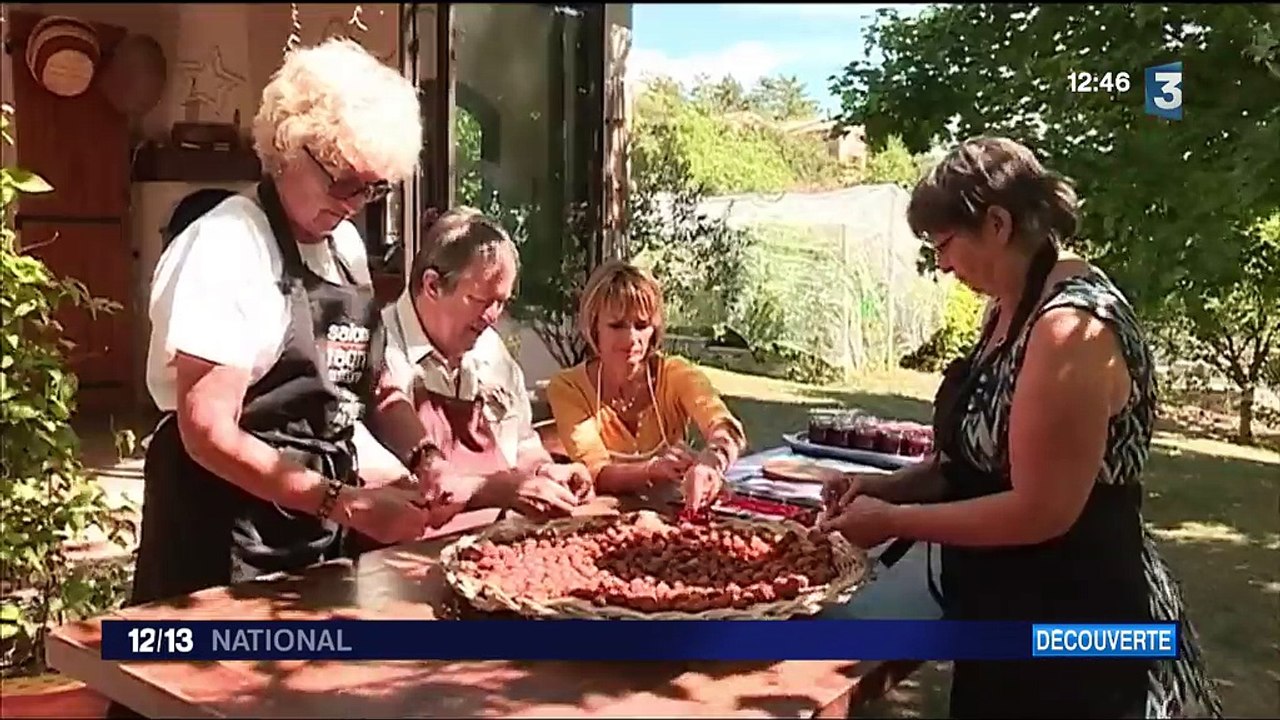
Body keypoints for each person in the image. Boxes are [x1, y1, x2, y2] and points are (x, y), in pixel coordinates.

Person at [818, 137, 1223, 719]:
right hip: (1003, 613)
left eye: (945, 243)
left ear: (998, 223)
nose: (942, 264)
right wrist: (884, 486)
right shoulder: (1005, 309)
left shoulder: (1071, 328)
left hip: (1080, 625)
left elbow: (1042, 509)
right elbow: (974, 463)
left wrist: (889, 522)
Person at [129, 39, 441, 617]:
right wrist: (341, 503)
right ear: (288, 149)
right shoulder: (228, 245)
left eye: (373, 188)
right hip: (222, 539)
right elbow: (208, 433)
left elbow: (369, 387)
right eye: (344, 181)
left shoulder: (344, 248)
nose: (356, 204)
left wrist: (425, 458)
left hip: (310, 534)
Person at [369, 207, 594, 524]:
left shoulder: (490, 350)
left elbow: (522, 442)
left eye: (501, 302)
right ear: (432, 285)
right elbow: (400, 489)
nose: (493, 317)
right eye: (482, 300)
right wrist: (499, 490)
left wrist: (546, 470)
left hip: (492, 549)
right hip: (400, 559)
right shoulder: (378, 348)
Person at [546, 260, 747, 513]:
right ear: (594, 326)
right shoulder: (568, 387)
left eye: (641, 325)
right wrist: (652, 470)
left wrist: (711, 461)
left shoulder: (676, 374)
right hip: (602, 519)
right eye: (617, 325)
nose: (631, 338)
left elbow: (725, 426)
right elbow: (595, 471)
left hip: (675, 514)